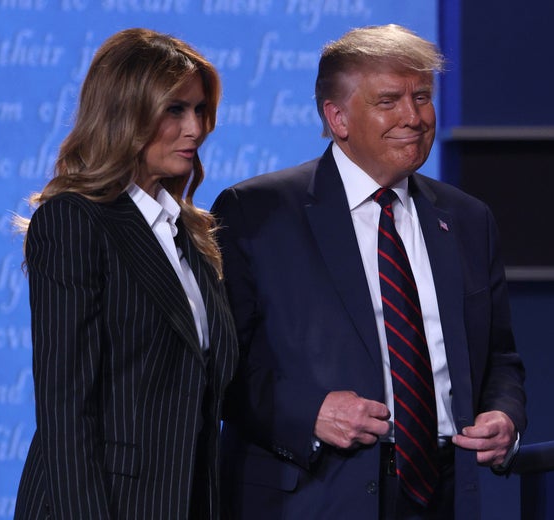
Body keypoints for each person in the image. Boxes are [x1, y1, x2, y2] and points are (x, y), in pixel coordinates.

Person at [212, 24, 526, 519]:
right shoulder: (257, 212)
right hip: (316, 495)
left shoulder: (468, 219)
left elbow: (500, 358)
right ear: (337, 117)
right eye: (389, 100)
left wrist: (505, 415)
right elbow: (221, 370)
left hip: (445, 494)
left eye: (421, 97)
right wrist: (309, 412)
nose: (414, 117)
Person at [13, 28, 238, 519]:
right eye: (175, 109)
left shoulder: (189, 232)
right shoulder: (75, 219)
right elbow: (66, 411)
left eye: (200, 110)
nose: (195, 129)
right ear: (125, 113)